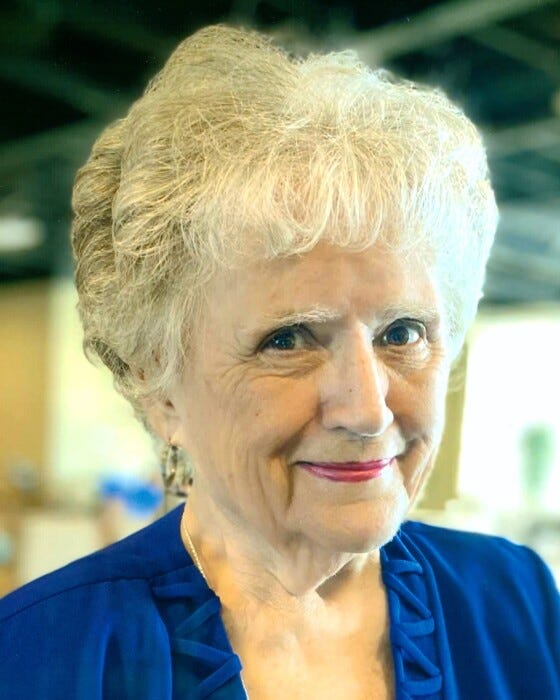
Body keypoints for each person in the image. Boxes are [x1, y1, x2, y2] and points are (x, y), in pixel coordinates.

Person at [0, 24, 558, 700]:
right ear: (159, 386)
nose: (367, 410)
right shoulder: (37, 657)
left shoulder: (517, 602)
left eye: (402, 332)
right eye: (289, 340)